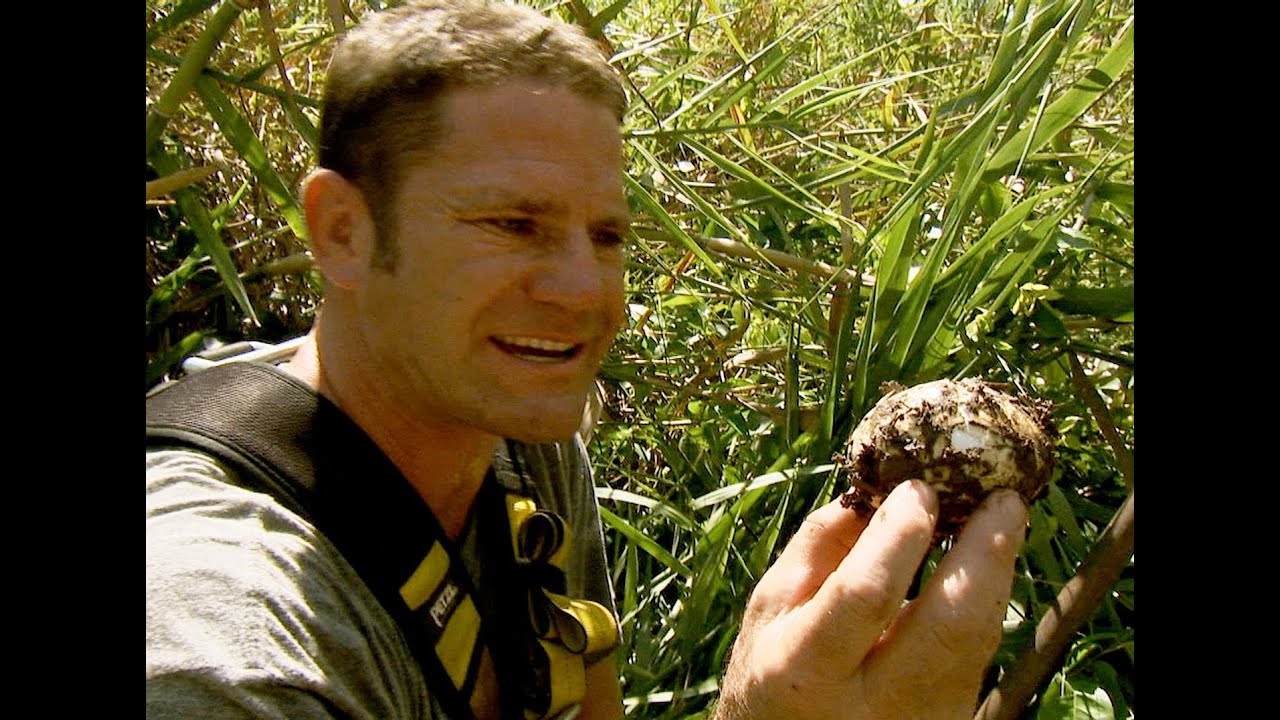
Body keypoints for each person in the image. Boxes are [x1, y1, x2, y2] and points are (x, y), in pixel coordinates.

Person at [145, 1, 1029, 719]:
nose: (587, 294)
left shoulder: (516, 436)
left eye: (605, 235)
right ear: (343, 230)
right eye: (511, 224)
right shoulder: (227, 662)